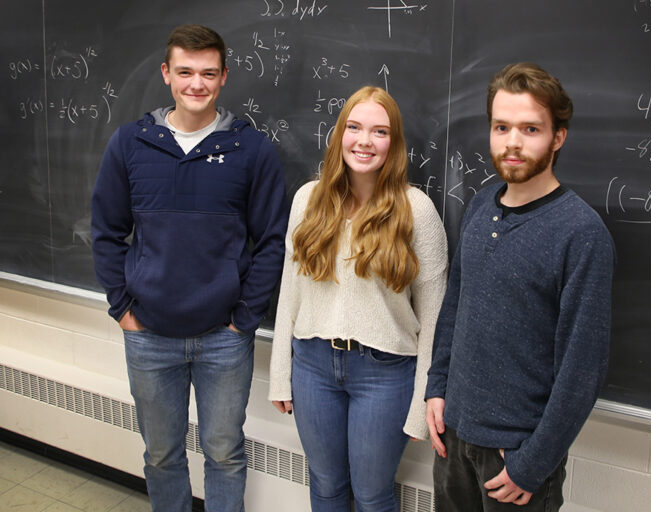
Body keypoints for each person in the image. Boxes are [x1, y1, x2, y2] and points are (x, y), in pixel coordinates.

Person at [91, 24, 288, 512]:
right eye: (184, 72)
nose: (195, 84)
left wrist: (244, 317)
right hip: (149, 335)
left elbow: (272, 242)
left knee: (224, 453)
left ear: (223, 78)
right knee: (162, 456)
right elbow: (106, 231)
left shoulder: (253, 151)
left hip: (224, 338)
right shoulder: (130, 145)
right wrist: (123, 309)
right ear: (166, 74)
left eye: (207, 73)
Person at [425, 62, 615, 511]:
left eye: (530, 128)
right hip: (454, 438)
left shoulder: (581, 233)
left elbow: (581, 369)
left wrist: (534, 463)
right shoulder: (479, 206)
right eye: (501, 126)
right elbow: (455, 307)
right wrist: (437, 388)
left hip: (516, 456)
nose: (513, 142)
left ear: (558, 137)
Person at [269, 85, 448, 512]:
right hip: (312, 367)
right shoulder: (308, 201)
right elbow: (290, 289)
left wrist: (424, 399)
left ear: (395, 143)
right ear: (339, 134)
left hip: (385, 375)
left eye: (379, 132)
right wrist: (280, 372)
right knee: (326, 485)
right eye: (354, 127)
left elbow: (436, 316)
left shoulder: (415, 210)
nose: (364, 141)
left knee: (371, 494)